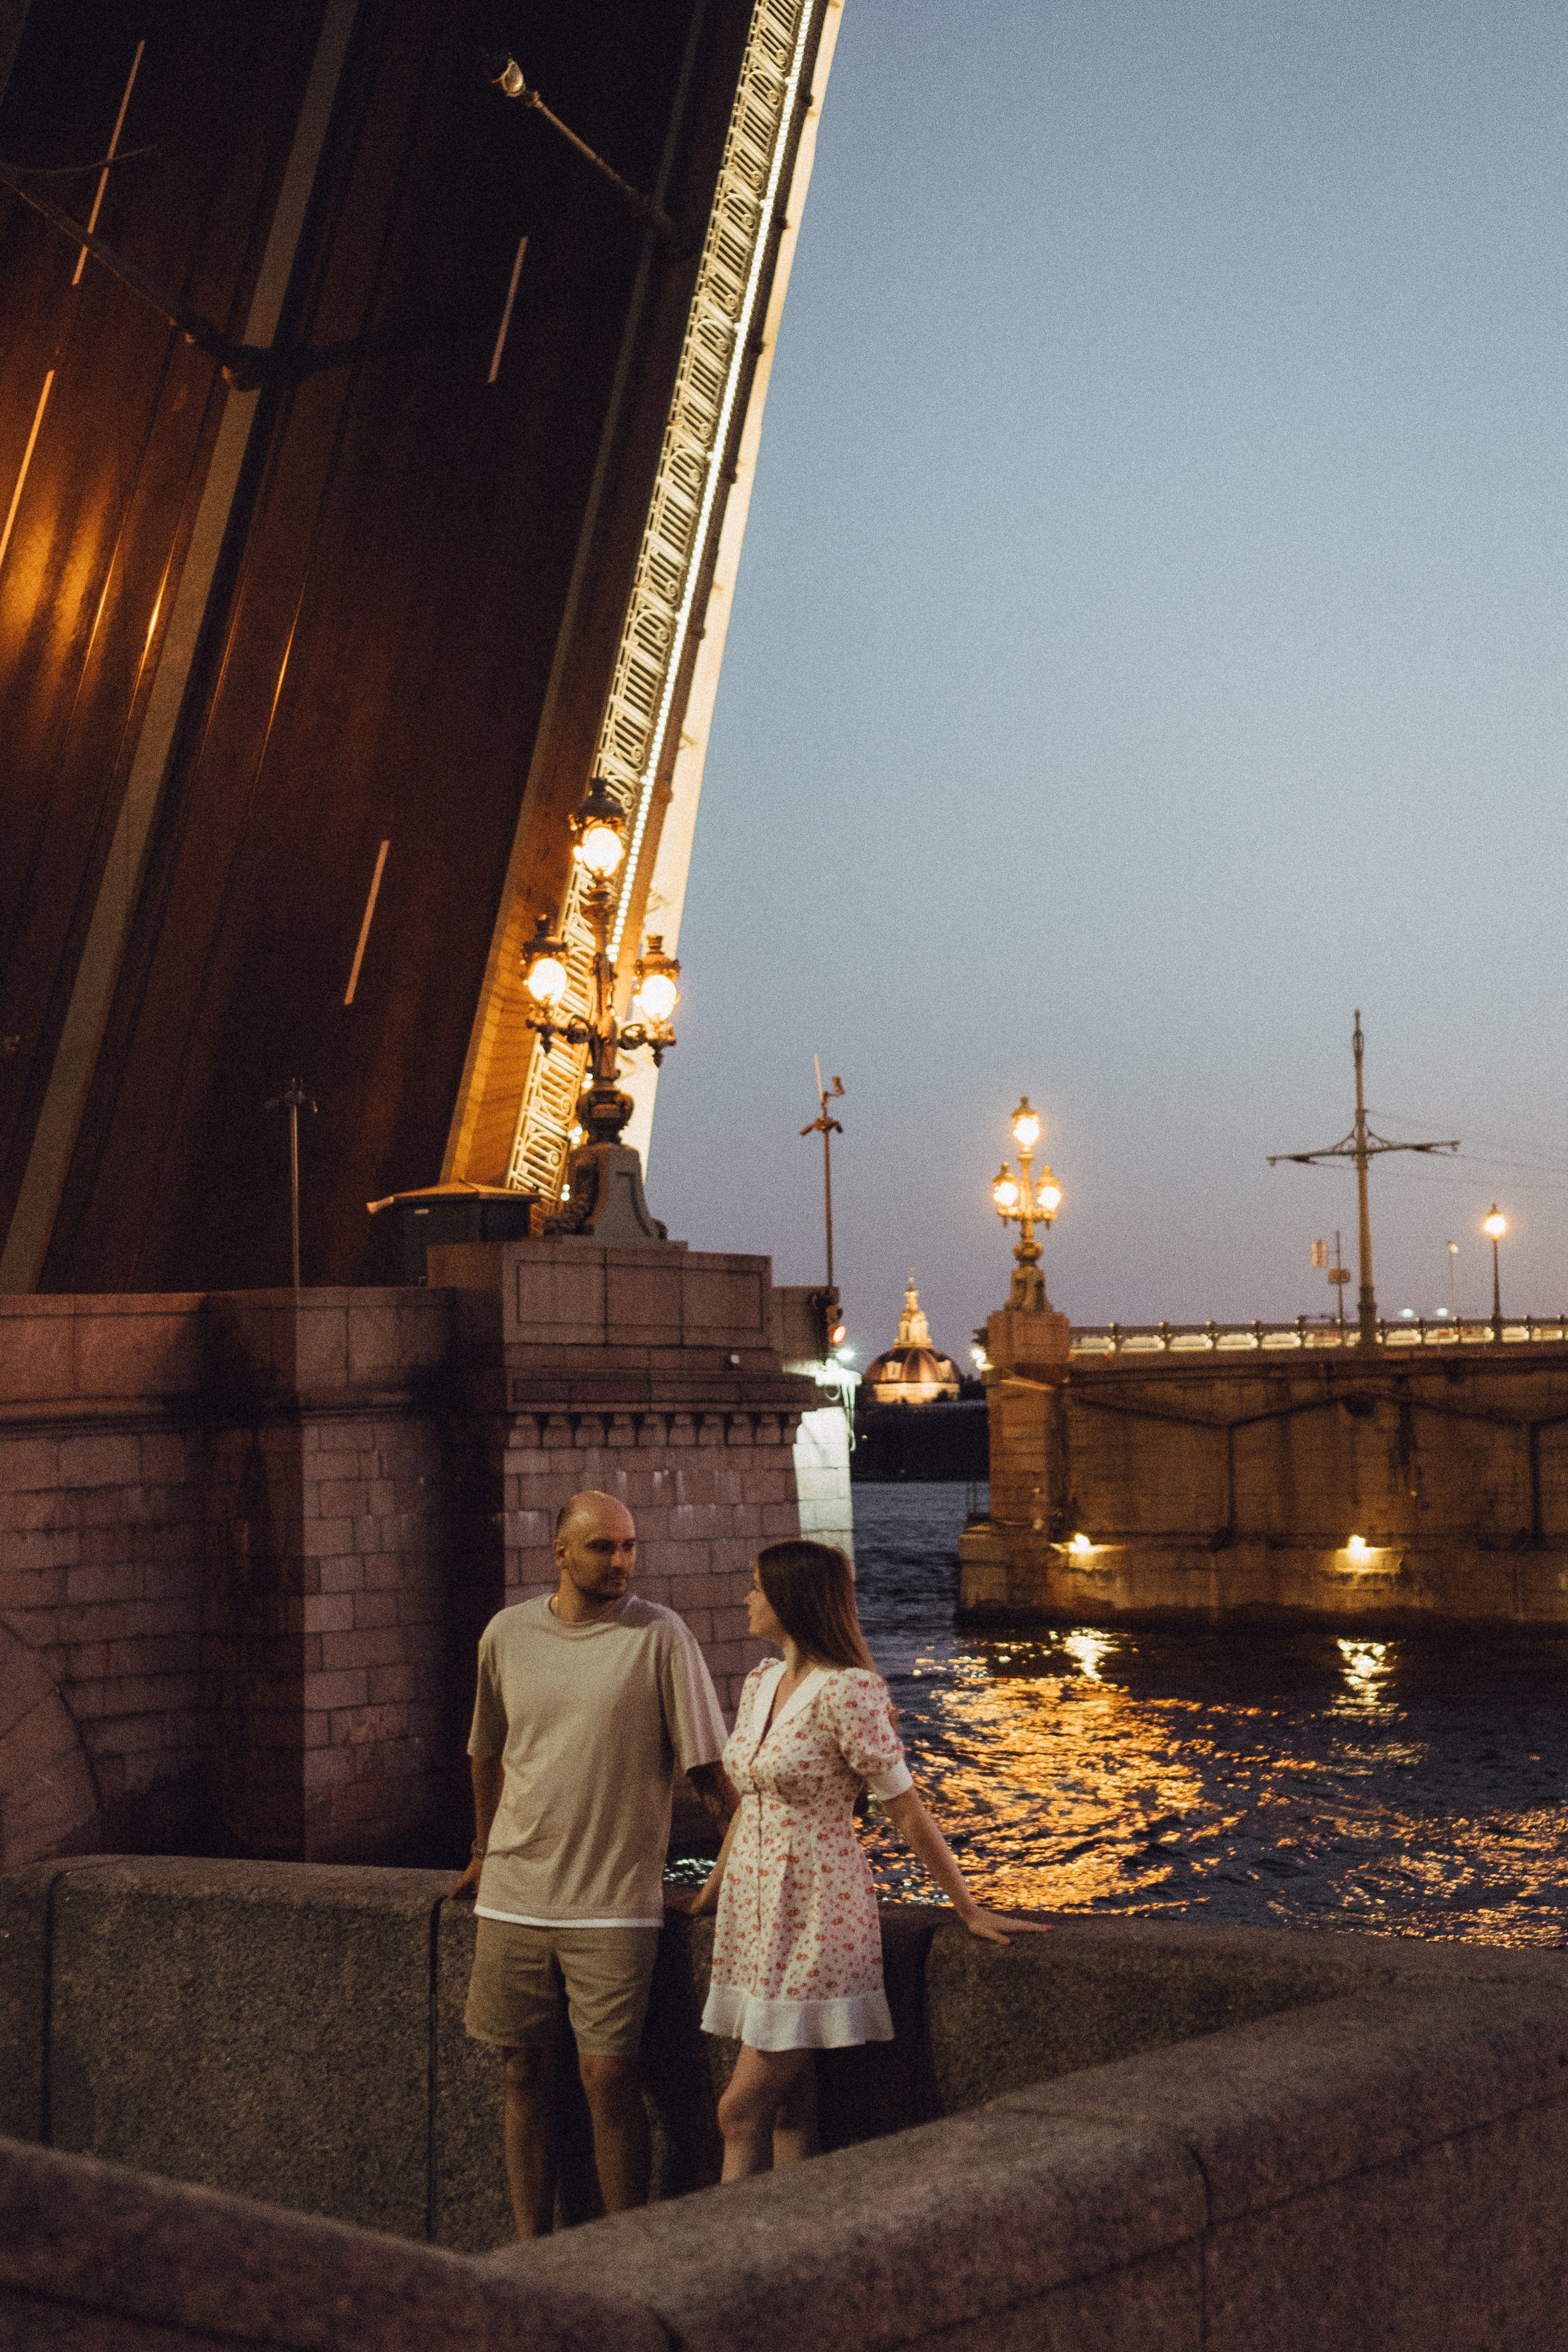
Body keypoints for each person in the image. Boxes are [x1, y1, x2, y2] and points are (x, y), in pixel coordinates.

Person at [688, 1538, 1052, 2180]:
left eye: (756, 1588)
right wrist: (709, 1893)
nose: (745, 1598)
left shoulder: (849, 1692)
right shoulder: (759, 1682)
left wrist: (965, 1908)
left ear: (792, 1601)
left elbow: (905, 1809)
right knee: (788, 2111)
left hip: (816, 1911)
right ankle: (799, 2250)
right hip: (753, 1908)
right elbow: (750, 1798)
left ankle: (726, 2264)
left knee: (737, 2113)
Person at [451, 1490, 733, 2236]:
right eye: (604, 1547)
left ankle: (622, 2246)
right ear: (561, 1554)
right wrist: (483, 1851)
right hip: (514, 1893)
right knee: (521, 2074)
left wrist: (740, 1866)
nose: (622, 1561)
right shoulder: (507, 1634)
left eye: (630, 1546)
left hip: (613, 1903)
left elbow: (709, 1774)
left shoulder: (660, 1636)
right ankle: (529, 2246)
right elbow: (486, 1750)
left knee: (610, 2078)